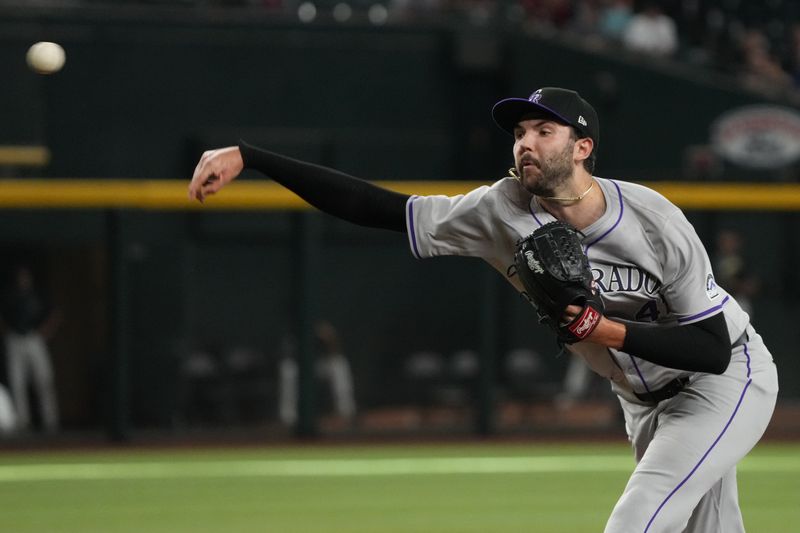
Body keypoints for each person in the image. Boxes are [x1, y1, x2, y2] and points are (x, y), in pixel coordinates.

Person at [188, 86, 778, 532]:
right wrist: (254, 155)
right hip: (642, 402)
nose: (525, 142)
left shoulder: (652, 217)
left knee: (639, 517)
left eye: (543, 130)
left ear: (583, 147)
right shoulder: (499, 209)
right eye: (519, 131)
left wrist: (606, 328)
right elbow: (378, 208)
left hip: (725, 379)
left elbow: (710, 348)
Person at [0, 264, 60, 434]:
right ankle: (23, 422)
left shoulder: (38, 295)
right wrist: (6, 333)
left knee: (44, 379)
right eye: (20, 277)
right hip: (15, 338)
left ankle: (51, 422)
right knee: (17, 381)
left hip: (34, 337)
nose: (23, 280)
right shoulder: (9, 296)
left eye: (25, 276)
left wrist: (45, 332)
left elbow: (55, 312)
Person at [278, 321, 356, 427]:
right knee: (288, 369)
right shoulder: (295, 327)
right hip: (299, 364)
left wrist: (326, 338)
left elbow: (335, 349)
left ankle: (345, 413)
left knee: (339, 366)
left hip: (320, 363)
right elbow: (289, 351)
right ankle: (288, 418)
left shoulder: (321, 324)